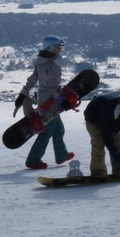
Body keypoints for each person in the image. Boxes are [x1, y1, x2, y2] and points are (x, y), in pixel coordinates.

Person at [15, 36, 75, 169]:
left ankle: (61, 154)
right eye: (58, 47)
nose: (60, 50)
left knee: (59, 129)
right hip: (51, 102)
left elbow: (32, 80)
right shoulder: (53, 65)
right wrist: (63, 101)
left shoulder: (41, 62)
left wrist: (22, 93)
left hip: (43, 100)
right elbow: (54, 88)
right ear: (51, 47)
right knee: (47, 131)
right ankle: (33, 160)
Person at [84, 94, 120, 177]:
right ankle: (98, 172)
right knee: (98, 145)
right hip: (93, 119)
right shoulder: (107, 113)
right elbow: (108, 140)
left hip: (112, 121)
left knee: (118, 145)